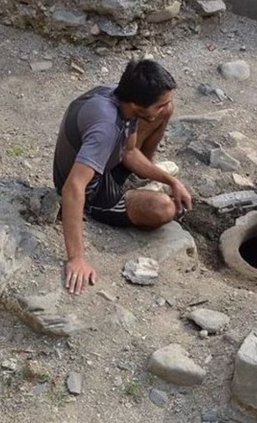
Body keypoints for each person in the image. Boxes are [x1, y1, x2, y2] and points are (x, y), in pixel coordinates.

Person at [53, 59, 192, 295]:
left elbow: (128, 152)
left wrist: (172, 181)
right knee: (163, 209)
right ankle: (129, 197)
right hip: (92, 191)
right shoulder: (106, 129)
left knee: (166, 111)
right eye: (158, 104)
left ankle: (136, 187)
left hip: (107, 161)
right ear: (138, 104)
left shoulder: (118, 96)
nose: (164, 109)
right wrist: (76, 258)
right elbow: (73, 188)